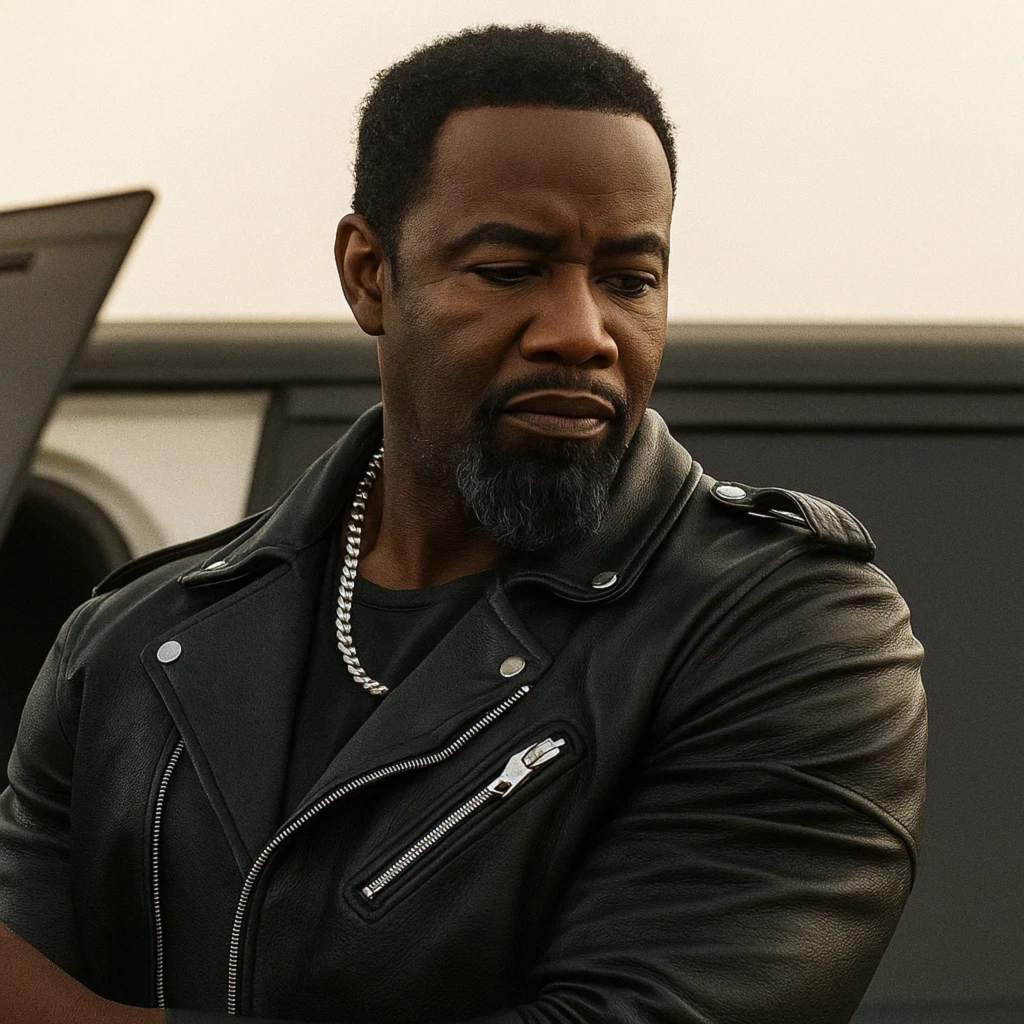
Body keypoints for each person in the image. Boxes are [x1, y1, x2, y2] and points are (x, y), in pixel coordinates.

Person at [0, 24, 927, 1024]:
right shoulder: (131, 643)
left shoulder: (783, 627)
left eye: (629, 280)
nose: (581, 333)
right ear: (369, 273)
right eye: (509, 269)